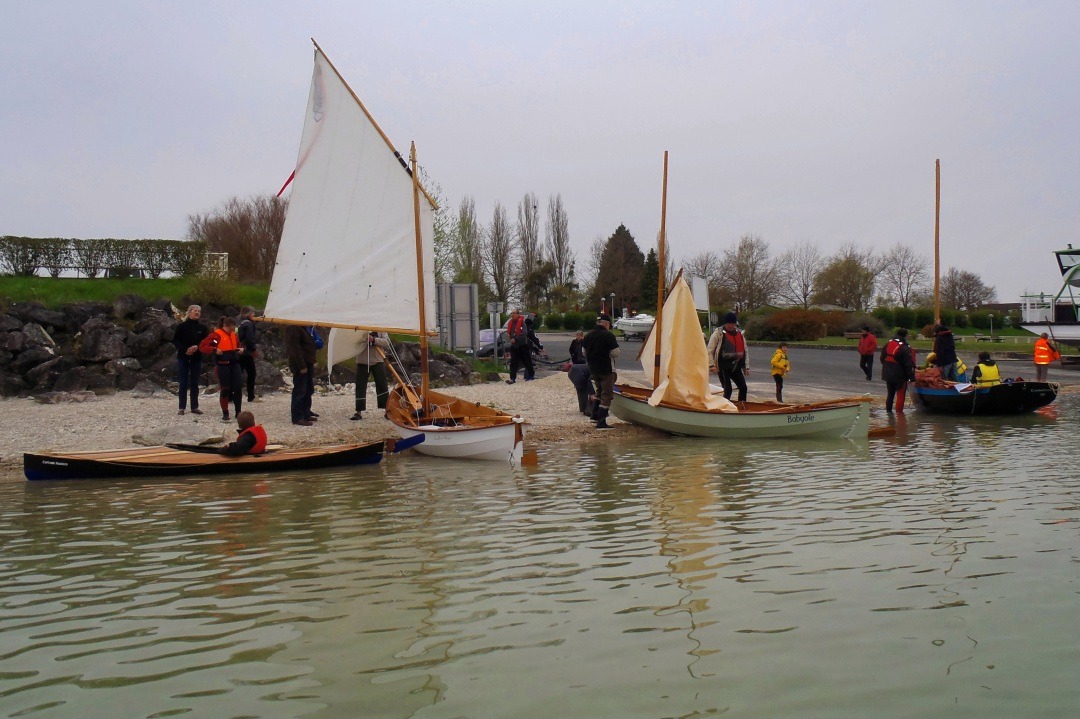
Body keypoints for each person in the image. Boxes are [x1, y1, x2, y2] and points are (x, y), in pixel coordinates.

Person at [199, 316, 245, 422]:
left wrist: (241, 349)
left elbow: (238, 345)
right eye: (231, 329)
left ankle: (238, 412)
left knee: (238, 388)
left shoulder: (233, 335)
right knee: (225, 389)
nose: (233, 331)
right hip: (222, 365)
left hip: (234, 364)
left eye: (234, 329)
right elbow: (203, 346)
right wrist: (214, 350)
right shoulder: (216, 335)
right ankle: (225, 413)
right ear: (225, 326)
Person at [582, 314, 620, 429]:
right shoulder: (608, 335)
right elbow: (615, 353)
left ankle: (594, 416)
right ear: (607, 324)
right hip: (606, 369)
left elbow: (584, 352)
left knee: (598, 392)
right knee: (607, 394)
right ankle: (601, 422)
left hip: (593, 368)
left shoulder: (588, 336)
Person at [173, 304, 209, 416]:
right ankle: (181, 407)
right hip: (183, 357)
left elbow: (205, 342)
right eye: (195, 310)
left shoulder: (202, 328)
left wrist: (197, 347)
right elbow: (176, 341)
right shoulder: (181, 326)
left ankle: (194, 406)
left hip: (196, 357)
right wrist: (185, 350)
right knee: (183, 382)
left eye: (199, 311)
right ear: (189, 312)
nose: (197, 312)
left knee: (194, 383)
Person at [707, 311, 750, 402]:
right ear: (725, 323)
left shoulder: (740, 335)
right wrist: (711, 365)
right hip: (723, 367)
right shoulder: (718, 334)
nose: (731, 325)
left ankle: (742, 407)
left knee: (743, 388)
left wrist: (746, 367)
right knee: (728, 390)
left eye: (733, 323)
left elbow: (745, 351)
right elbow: (709, 351)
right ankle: (725, 408)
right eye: (729, 323)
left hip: (735, 366)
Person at [284, 324, 318, 426]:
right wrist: (302, 365)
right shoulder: (293, 327)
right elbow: (295, 348)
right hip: (300, 364)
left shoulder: (302, 328)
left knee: (308, 389)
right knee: (300, 391)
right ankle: (298, 417)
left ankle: (305, 413)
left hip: (307, 362)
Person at [352, 330, 390, 420]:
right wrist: (364, 338)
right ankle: (358, 412)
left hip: (378, 360)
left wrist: (374, 340)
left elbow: (386, 342)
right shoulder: (359, 329)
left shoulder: (380, 328)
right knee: (360, 386)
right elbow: (354, 341)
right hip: (362, 360)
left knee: (382, 385)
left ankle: (387, 411)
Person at [880, 327, 916, 412]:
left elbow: (882, 358)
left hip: (887, 373)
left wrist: (887, 367)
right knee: (900, 395)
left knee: (890, 394)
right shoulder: (905, 348)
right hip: (900, 376)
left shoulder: (888, 343)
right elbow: (908, 365)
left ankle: (889, 413)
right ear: (906, 336)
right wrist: (911, 378)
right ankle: (899, 416)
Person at [505, 308, 534, 384]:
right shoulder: (510, 323)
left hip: (522, 345)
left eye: (514, 313)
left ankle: (531, 376)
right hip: (514, 346)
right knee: (513, 362)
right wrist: (510, 339)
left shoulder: (522, 323)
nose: (513, 315)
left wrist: (516, 339)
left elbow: (524, 333)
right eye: (512, 313)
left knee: (527, 361)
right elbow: (509, 334)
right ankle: (512, 378)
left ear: (518, 314)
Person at [237, 306, 259, 403]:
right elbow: (250, 338)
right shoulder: (249, 325)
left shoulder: (240, 323)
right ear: (249, 314)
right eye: (253, 313)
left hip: (239, 351)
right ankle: (251, 396)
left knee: (238, 373)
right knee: (251, 374)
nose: (254, 315)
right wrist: (253, 348)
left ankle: (231, 395)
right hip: (246, 352)